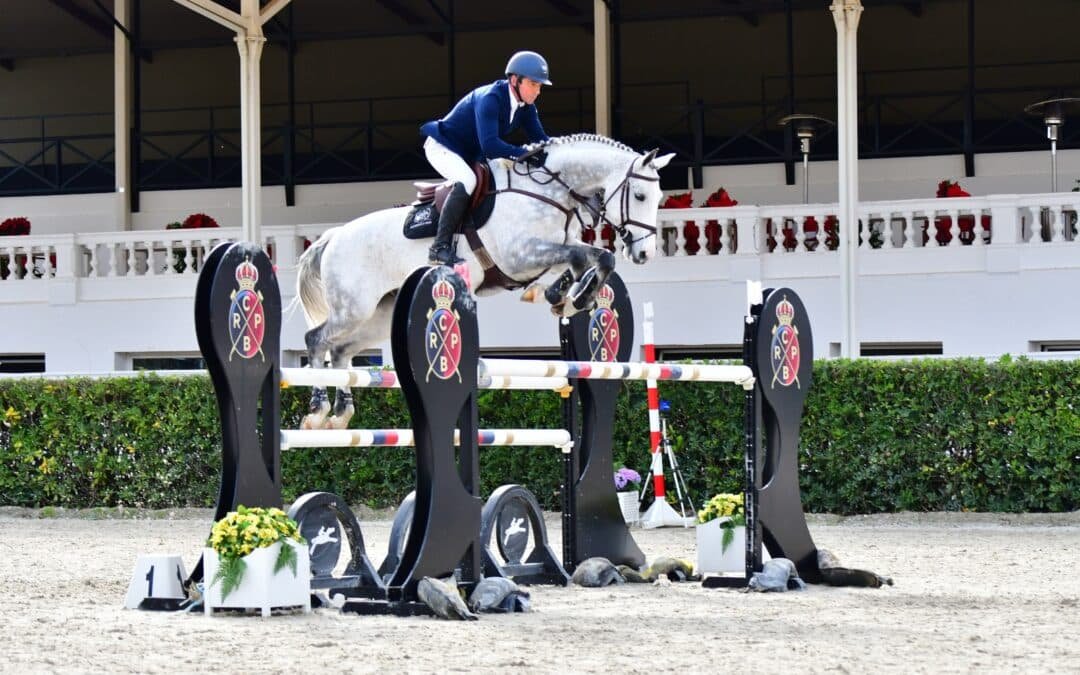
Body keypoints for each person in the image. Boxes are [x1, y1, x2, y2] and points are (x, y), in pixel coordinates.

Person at [420, 50, 553, 265]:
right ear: (514, 80)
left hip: (470, 153)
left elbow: (541, 140)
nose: (537, 91)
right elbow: (490, 146)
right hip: (443, 146)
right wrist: (524, 155)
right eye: (533, 84)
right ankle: (439, 246)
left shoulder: (526, 107)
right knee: (468, 180)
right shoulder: (490, 98)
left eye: (539, 86)